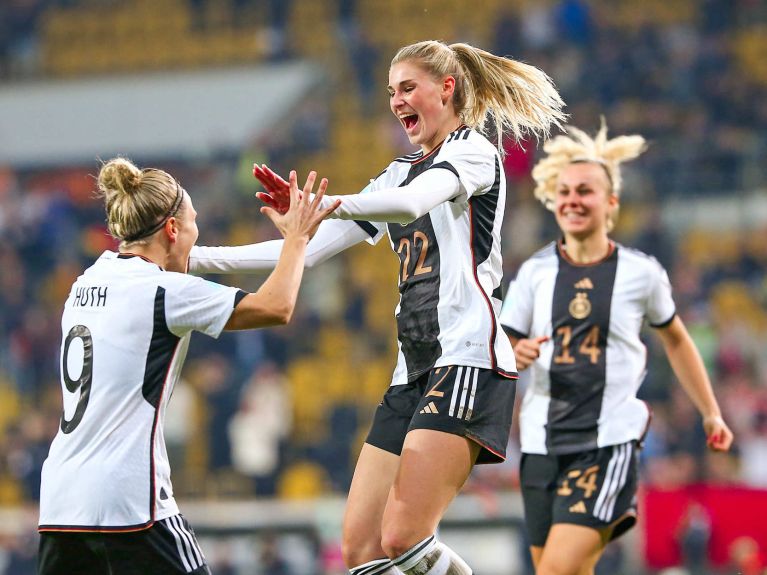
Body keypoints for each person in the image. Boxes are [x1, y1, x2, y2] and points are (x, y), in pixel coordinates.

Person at [191, 39, 566, 575]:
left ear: (447, 87)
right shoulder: (397, 171)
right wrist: (190, 258)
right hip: (411, 372)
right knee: (361, 549)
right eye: (391, 92)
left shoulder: (473, 152)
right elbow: (302, 248)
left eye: (408, 88)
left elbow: (414, 203)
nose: (397, 101)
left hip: (466, 360)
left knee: (404, 536)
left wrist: (324, 205)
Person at [37, 158, 338, 575]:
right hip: (129, 499)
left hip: (60, 500)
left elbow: (182, 262)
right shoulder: (163, 291)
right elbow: (277, 306)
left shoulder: (86, 281)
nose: (197, 240)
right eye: (193, 225)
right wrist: (297, 236)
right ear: (173, 230)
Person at [498, 120, 734, 575]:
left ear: (611, 203)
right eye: (564, 191)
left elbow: (678, 340)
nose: (572, 200)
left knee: (554, 572)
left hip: (605, 442)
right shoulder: (534, 272)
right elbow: (503, 342)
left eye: (584, 191)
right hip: (541, 445)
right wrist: (516, 351)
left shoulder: (640, 274)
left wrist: (710, 410)